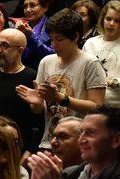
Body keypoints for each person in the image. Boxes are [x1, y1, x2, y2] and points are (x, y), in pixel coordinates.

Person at [16, 8, 106, 149]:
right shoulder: (46, 62)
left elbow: (98, 106)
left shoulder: (90, 63)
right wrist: (37, 103)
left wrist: (61, 98)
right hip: (49, 141)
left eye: (59, 39)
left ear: (75, 37)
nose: (53, 45)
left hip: (79, 144)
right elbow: (40, 110)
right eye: (51, 39)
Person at [0, 28, 42, 151]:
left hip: (14, 150)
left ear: (19, 51)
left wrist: (30, 151)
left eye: (5, 46)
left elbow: (38, 122)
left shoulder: (32, 77)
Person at [83, 0, 120, 110]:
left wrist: (116, 82)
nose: (111, 24)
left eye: (117, 21)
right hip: (93, 103)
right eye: (108, 19)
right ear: (102, 19)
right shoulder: (90, 43)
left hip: (119, 106)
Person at [16, 0, 54, 70]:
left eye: (32, 5)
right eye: (25, 6)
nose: (28, 10)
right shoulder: (21, 27)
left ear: (45, 7)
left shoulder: (54, 27)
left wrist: (31, 37)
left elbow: (52, 55)